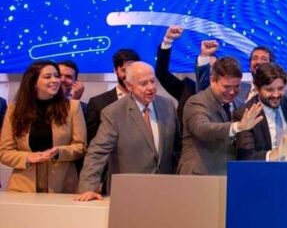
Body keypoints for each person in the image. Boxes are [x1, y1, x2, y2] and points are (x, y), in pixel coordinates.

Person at [75, 62, 179, 200]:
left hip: (164, 191)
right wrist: (88, 188)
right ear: (129, 86)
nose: (151, 87)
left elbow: (178, 147)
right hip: (128, 193)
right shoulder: (114, 113)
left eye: (152, 81)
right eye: (143, 83)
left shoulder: (167, 105)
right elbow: (97, 153)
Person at [0, 61, 86, 193]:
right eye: (48, 77)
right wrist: (27, 157)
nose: (55, 80)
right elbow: (4, 152)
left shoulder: (73, 107)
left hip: (62, 186)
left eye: (56, 76)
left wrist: (60, 152)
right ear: (33, 82)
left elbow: (81, 146)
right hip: (23, 187)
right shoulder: (14, 110)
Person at [178, 57, 264, 175]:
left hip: (228, 176)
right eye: (227, 87)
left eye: (236, 86)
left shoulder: (239, 103)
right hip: (199, 176)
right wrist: (238, 126)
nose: (232, 92)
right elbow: (202, 129)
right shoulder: (197, 102)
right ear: (212, 80)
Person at [235, 63, 287, 161]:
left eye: (280, 88)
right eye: (269, 90)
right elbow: (246, 157)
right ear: (257, 88)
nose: (276, 95)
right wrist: (276, 154)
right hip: (263, 169)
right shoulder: (244, 114)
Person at [84, 49, 140, 143]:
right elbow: (92, 142)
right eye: (124, 70)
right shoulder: (97, 103)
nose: (129, 75)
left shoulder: (147, 100)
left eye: (132, 71)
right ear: (115, 70)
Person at [155, 25, 200, 124]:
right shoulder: (188, 90)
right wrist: (168, 40)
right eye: (204, 67)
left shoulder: (231, 94)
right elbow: (162, 73)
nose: (208, 73)